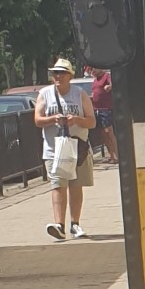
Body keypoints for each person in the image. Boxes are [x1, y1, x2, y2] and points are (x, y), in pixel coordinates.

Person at [34, 59, 93, 240]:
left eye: (62, 72)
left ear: (70, 76)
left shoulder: (80, 93)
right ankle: (59, 225)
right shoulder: (45, 94)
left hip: (77, 146)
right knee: (58, 185)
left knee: (76, 185)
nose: (58, 76)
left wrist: (75, 119)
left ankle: (75, 224)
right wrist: (54, 119)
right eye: (55, 73)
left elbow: (91, 120)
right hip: (54, 149)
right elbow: (37, 119)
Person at [89, 67, 116, 163]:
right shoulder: (95, 80)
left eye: (94, 68)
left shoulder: (106, 76)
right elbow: (95, 92)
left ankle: (117, 155)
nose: (93, 71)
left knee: (109, 131)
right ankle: (112, 155)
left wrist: (109, 86)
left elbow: (113, 84)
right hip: (96, 109)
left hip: (106, 109)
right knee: (103, 134)